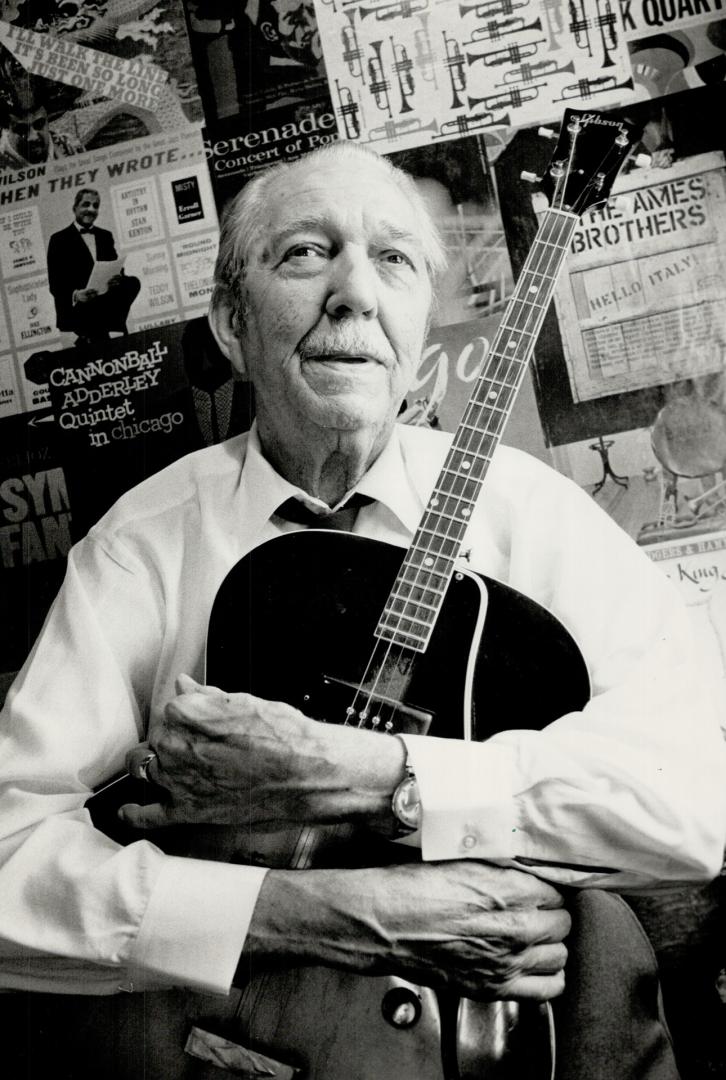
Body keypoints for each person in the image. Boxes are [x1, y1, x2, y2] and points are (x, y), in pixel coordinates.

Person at [1, 142, 725, 1078]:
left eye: (394, 260)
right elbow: (8, 861)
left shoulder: (534, 516)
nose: (354, 293)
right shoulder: (144, 545)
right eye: (305, 253)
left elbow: (701, 801)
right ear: (230, 321)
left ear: (421, 321)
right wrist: (318, 915)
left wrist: (372, 774)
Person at [46, 188, 141, 344]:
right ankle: (95, 334)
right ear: (75, 208)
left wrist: (117, 279)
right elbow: (55, 285)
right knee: (91, 311)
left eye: (95, 206)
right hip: (79, 307)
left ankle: (111, 326)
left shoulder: (105, 236)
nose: (91, 209)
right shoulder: (59, 239)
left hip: (104, 301)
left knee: (132, 282)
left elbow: (116, 268)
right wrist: (76, 294)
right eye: (86, 204)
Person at [0, 89, 83, 169]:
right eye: (21, 129)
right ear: (6, 129)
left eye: (39, 124)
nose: (33, 137)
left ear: (47, 121)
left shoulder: (69, 147)